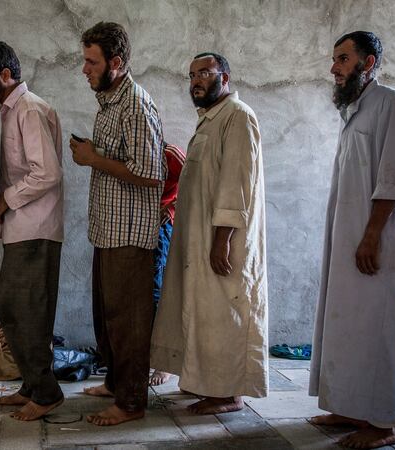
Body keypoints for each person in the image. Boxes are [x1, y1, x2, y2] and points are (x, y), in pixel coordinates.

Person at [309, 31, 395, 449]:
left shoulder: (393, 104)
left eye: (342, 59)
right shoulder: (356, 110)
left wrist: (371, 236)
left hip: (379, 245)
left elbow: (393, 178)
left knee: (382, 331)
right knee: (351, 327)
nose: (334, 68)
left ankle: (384, 424)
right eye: (334, 59)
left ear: (368, 63)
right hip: (349, 241)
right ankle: (352, 408)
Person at [151, 52, 269, 415]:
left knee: (223, 315)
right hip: (201, 240)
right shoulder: (209, 121)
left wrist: (222, 240)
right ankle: (206, 384)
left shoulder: (238, 116)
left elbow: (236, 183)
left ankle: (228, 394)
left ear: (225, 77)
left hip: (223, 243)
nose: (196, 81)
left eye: (204, 73)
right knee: (203, 315)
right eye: (191, 75)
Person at [70, 21, 164, 426]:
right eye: (85, 60)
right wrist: (94, 154)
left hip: (129, 234)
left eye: (92, 62)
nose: (85, 69)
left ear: (117, 62)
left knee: (128, 323)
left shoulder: (135, 105)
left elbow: (151, 172)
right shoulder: (110, 101)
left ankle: (131, 403)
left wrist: (93, 158)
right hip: (108, 230)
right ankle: (114, 384)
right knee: (109, 318)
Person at [0, 40, 65, 421]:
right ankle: (31, 385)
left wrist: (5, 200)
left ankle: (47, 393)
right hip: (22, 228)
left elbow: (48, 173)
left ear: (5, 74)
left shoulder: (29, 109)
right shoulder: (13, 110)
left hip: (35, 228)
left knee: (25, 311)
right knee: (13, 306)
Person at [149, 142, 186, 387]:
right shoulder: (130, 153)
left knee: (157, 292)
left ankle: (165, 363)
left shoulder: (169, 154)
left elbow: (195, 182)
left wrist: (171, 209)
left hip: (161, 228)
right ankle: (150, 355)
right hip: (139, 228)